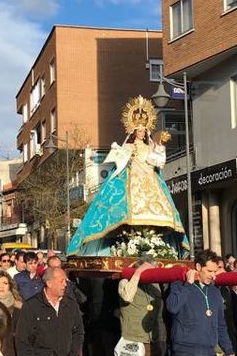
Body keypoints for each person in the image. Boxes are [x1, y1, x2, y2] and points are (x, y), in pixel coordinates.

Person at [67, 95, 189, 257]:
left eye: (144, 130)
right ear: (133, 131)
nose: (141, 133)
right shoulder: (129, 146)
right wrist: (125, 156)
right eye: (139, 130)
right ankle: (129, 240)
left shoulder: (150, 146)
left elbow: (158, 162)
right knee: (125, 210)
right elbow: (119, 161)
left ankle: (152, 239)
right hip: (133, 180)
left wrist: (160, 145)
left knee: (160, 212)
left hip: (150, 181)